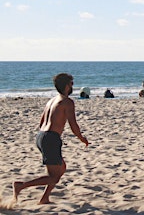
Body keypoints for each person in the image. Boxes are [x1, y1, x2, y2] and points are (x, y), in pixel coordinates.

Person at [12, 73, 90, 205]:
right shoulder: (67, 102)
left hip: (41, 136)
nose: (73, 86)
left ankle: (44, 198)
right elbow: (73, 125)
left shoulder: (51, 101)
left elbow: (41, 122)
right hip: (50, 138)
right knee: (53, 176)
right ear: (66, 86)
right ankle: (21, 186)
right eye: (72, 84)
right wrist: (82, 138)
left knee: (61, 168)